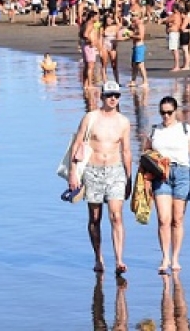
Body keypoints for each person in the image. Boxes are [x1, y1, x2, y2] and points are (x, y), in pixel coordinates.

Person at [68, 81, 133, 275]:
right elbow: (77, 143)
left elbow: (127, 151)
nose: (113, 99)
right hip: (92, 170)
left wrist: (129, 178)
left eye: (116, 95)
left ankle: (119, 259)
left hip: (115, 171)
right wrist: (73, 172)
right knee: (95, 218)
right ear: (102, 97)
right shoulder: (90, 118)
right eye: (109, 95)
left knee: (117, 215)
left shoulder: (123, 122)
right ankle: (98, 257)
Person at [144, 96, 190, 273]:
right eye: (162, 113)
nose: (165, 116)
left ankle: (175, 258)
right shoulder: (155, 130)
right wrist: (145, 179)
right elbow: (146, 154)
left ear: (175, 112)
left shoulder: (186, 129)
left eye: (169, 113)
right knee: (163, 219)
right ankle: (164, 258)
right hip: (161, 175)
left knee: (177, 219)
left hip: (182, 174)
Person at [128, 12, 148, 88]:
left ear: (138, 17)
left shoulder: (140, 25)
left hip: (139, 46)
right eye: (132, 15)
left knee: (140, 65)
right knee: (134, 65)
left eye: (133, 16)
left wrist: (131, 35)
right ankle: (133, 81)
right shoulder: (135, 25)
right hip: (135, 47)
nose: (132, 17)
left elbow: (141, 37)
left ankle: (145, 81)